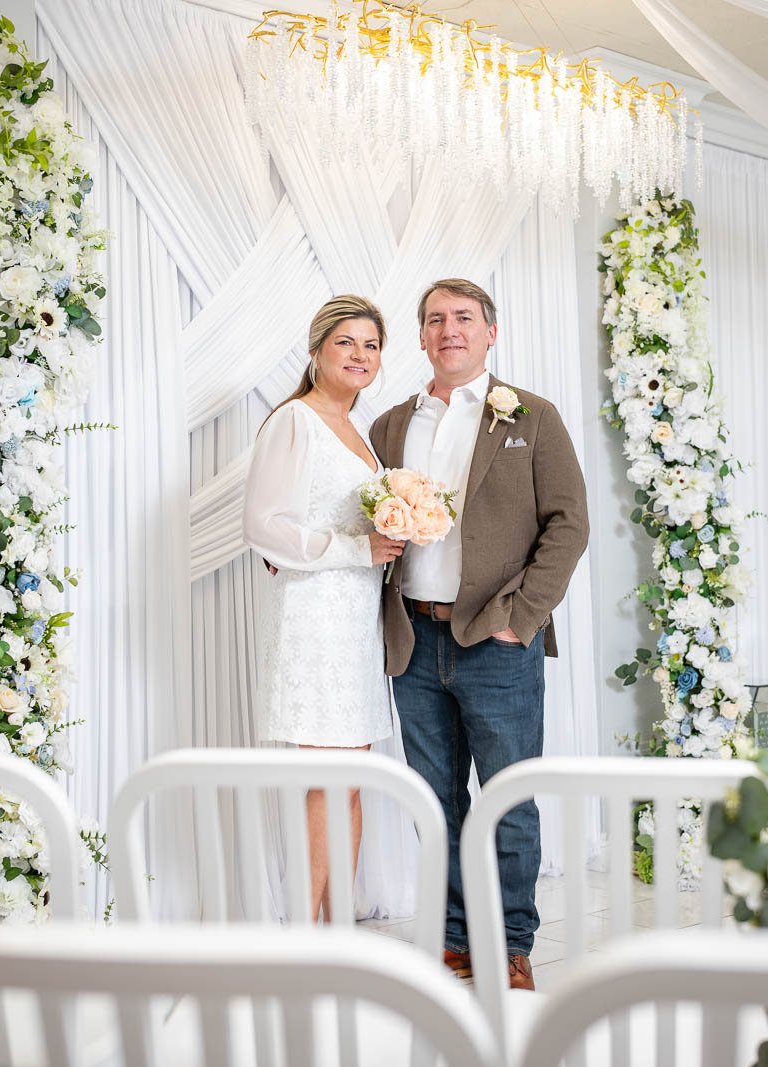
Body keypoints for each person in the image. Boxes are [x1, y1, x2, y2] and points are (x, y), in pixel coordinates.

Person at [368, 278, 588, 991]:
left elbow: (568, 524)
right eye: (435, 319)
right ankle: (455, 940)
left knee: (508, 799)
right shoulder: (393, 425)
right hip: (415, 642)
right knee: (437, 803)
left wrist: (520, 617)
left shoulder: (532, 416)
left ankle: (512, 943)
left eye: (464, 317)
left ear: (490, 332)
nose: (449, 329)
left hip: (497, 644)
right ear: (422, 338)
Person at [243, 294, 403, 922]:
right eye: (346, 342)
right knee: (326, 779)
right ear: (316, 353)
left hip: (357, 617)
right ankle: (306, 927)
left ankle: (339, 921)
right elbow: (264, 527)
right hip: (313, 615)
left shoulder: (358, 430)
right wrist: (358, 547)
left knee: (353, 776)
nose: (360, 355)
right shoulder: (295, 421)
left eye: (370, 344)